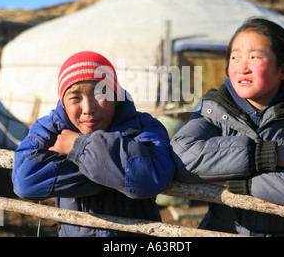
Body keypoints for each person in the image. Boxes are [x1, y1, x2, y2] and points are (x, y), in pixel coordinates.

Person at [170, 17, 284, 237]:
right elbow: (179, 158)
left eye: (254, 57)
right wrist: (264, 155)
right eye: (235, 57)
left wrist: (239, 182)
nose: (242, 67)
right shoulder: (213, 108)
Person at [12, 51, 175, 237]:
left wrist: (77, 146)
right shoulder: (50, 128)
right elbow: (26, 182)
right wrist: (118, 169)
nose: (88, 108)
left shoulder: (146, 127)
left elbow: (150, 178)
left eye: (100, 94)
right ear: (63, 103)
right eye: (75, 98)